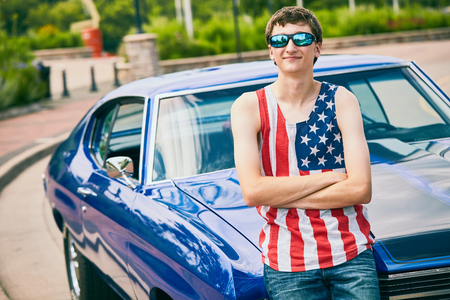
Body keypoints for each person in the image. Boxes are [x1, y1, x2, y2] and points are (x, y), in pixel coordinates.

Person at [230, 6, 380, 299]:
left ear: (317, 48)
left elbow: (361, 189)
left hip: (351, 254)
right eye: (279, 40)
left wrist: (281, 194)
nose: (290, 47)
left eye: (301, 38)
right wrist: (332, 178)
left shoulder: (342, 100)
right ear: (270, 52)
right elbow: (253, 192)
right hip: (286, 264)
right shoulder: (248, 106)